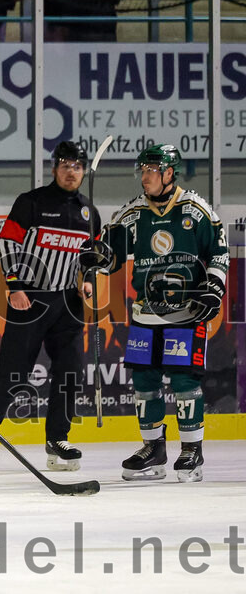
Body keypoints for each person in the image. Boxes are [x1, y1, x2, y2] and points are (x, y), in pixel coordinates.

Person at [81, 144, 226, 483]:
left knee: (184, 380)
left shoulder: (195, 209)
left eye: (151, 171)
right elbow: (111, 257)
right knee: (145, 381)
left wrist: (214, 287)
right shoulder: (132, 213)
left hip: (187, 311)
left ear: (169, 173)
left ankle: (191, 450)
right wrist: (96, 257)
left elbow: (219, 252)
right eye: (142, 170)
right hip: (146, 313)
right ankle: (153, 449)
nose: (144, 177)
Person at [0, 141, 99, 472]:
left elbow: (90, 255)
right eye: (65, 165)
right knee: (15, 371)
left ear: (84, 171)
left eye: (77, 166)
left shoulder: (89, 212)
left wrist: (88, 280)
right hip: (30, 297)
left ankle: (58, 439)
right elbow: (7, 241)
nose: (71, 171)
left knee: (70, 372)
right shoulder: (32, 202)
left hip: (68, 302)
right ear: (54, 168)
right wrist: (14, 285)